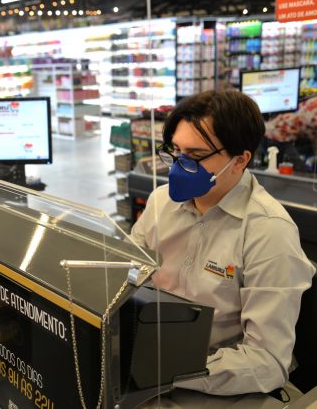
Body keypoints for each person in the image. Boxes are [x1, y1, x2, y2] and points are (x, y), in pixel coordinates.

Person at [130, 90, 315, 396]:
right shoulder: (160, 202)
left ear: (240, 160)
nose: (178, 165)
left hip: (218, 381)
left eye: (195, 156)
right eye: (175, 150)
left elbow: (267, 361)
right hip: (150, 358)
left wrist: (168, 370)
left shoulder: (269, 232)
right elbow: (130, 273)